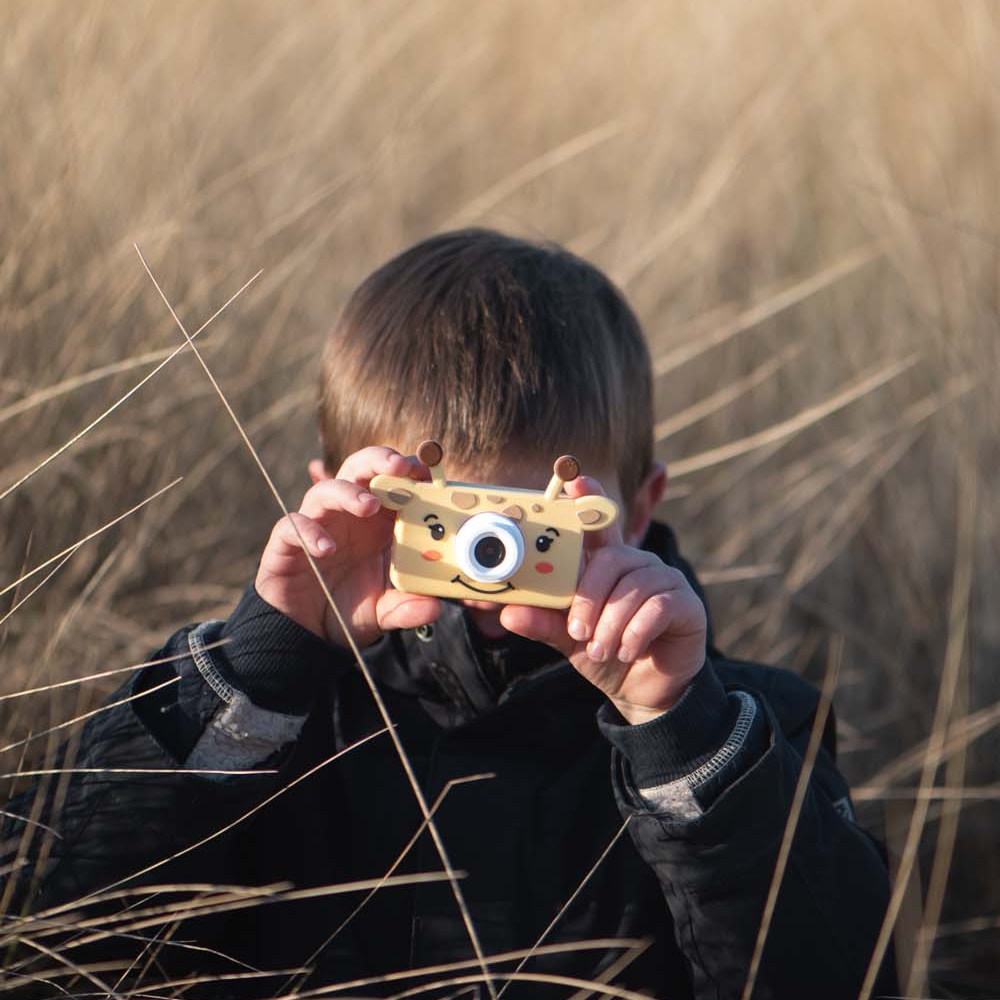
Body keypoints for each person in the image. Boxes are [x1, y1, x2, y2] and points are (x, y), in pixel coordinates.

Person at [2, 229, 895, 999]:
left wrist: (682, 734)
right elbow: (70, 942)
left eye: (540, 526)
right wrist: (261, 661)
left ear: (640, 509)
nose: (488, 568)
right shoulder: (268, 714)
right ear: (334, 498)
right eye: (437, 520)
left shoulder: (744, 733)